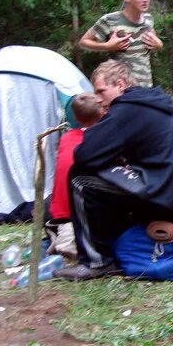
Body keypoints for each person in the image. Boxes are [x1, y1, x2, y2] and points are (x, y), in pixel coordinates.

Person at [55, 60, 173, 280]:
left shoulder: (127, 108)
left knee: (80, 179)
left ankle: (96, 261)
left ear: (120, 85)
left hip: (164, 189)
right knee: (106, 176)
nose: (98, 99)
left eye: (101, 91)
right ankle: (115, 241)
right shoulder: (146, 102)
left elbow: (84, 155)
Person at [45, 93, 104, 259]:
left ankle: (62, 235)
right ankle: (66, 243)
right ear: (101, 115)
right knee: (72, 230)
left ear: (75, 118)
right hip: (71, 209)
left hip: (57, 204)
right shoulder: (98, 140)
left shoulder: (65, 138)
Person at [78, 0, 163, 87]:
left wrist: (159, 45)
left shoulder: (148, 20)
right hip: (121, 89)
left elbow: (155, 44)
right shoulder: (110, 20)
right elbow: (83, 42)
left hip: (145, 89)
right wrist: (107, 46)